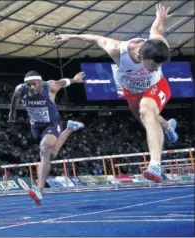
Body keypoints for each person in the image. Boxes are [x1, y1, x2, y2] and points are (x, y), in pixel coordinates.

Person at [51, 3, 178, 183]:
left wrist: (160, 18)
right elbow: (95, 38)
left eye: (159, 66)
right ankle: (168, 126)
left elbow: (157, 28)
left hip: (156, 86)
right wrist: (69, 36)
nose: (156, 68)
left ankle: (155, 165)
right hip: (131, 93)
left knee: (146, 109)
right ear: (142, 57)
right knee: (148, 117)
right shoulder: (118, 50)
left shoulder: (158, 43)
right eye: (153, 65)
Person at [9, 71, 86, 206]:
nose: (32, 87)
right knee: (52, 153)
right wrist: (12, 112)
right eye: (29, 85)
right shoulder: (20, 89)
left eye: (34, 84)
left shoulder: (50, 86)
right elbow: (14, 98)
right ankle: (69, 128)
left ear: (40, 82)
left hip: (51, 124)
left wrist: (74, 79)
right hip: (36, 127)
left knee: (44, 150)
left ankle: (39, 190)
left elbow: (63, 81)